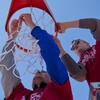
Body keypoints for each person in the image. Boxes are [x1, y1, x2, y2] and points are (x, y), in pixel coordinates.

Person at [0, 14, 73, 100]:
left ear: (52, 78)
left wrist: (32, 25)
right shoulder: (18, 93)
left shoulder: (60, 89)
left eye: (43, 71)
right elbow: (5, 65)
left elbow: (52, 55)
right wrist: (13, 35)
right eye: (43, 71)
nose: (38, 71)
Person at [54, 19, 100, 100]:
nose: (75, 45)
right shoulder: (80, 64)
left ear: (86, 43)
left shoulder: (97, 45)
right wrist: (59, 48)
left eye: (77, 42)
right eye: (72, 47)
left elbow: (96, 24)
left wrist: (66, 25)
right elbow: (79, 75)